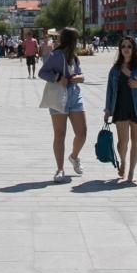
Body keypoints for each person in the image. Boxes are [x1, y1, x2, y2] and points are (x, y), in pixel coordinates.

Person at [38, 27, 87, 183]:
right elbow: (42, 73)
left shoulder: (74, 57)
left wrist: (79, 77)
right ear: (72, 40)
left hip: (74, 95)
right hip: (59, 96)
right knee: (60, 134)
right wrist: (58, 78)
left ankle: (74, 156)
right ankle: (60, 169)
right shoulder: (55, 55)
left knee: (82, 133)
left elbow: (79, 73)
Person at [104, 36, 137, 183]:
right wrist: (108, 110)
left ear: (134, 49)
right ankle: (123, 161)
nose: (126, 49)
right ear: (120, 50)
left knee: (136, 140)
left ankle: (131, 170)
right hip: (120, 108)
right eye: (123, 46)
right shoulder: (114, 69)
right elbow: (110, 91)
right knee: (122, 142)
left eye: (129, 46)